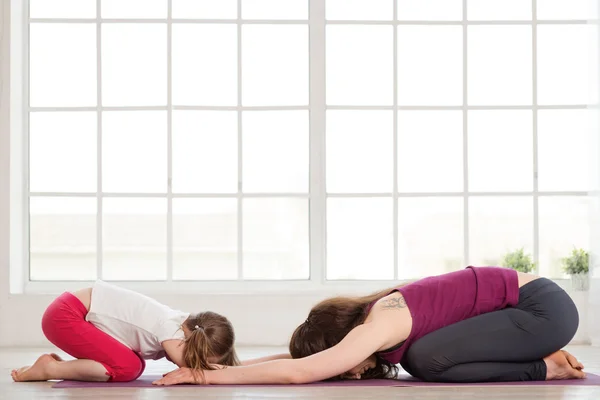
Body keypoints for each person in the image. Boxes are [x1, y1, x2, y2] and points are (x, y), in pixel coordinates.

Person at [152, 266, 586, 386]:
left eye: (343, 362)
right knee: (425, 360)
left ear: (346, 337)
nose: (349, 370)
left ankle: (544, 366)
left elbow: (301, 371)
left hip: (543, 311)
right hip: (525, 317)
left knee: (426, 359)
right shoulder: (377, 320)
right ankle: (543, 364)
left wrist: (204, 378)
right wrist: (228, 369)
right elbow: (304, 361)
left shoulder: (384, 321)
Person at [11, 280, 240, 382]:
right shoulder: (170, 329)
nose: (198, 364)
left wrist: (233, 366)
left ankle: (55, 366)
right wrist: (219, 374)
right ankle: (50, 369)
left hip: (72, 310)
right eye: (200, 358)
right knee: (128, 367)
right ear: (194, 341)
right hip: (65, 316)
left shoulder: (181, 321)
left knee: (134, 363)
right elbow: (187, 365)